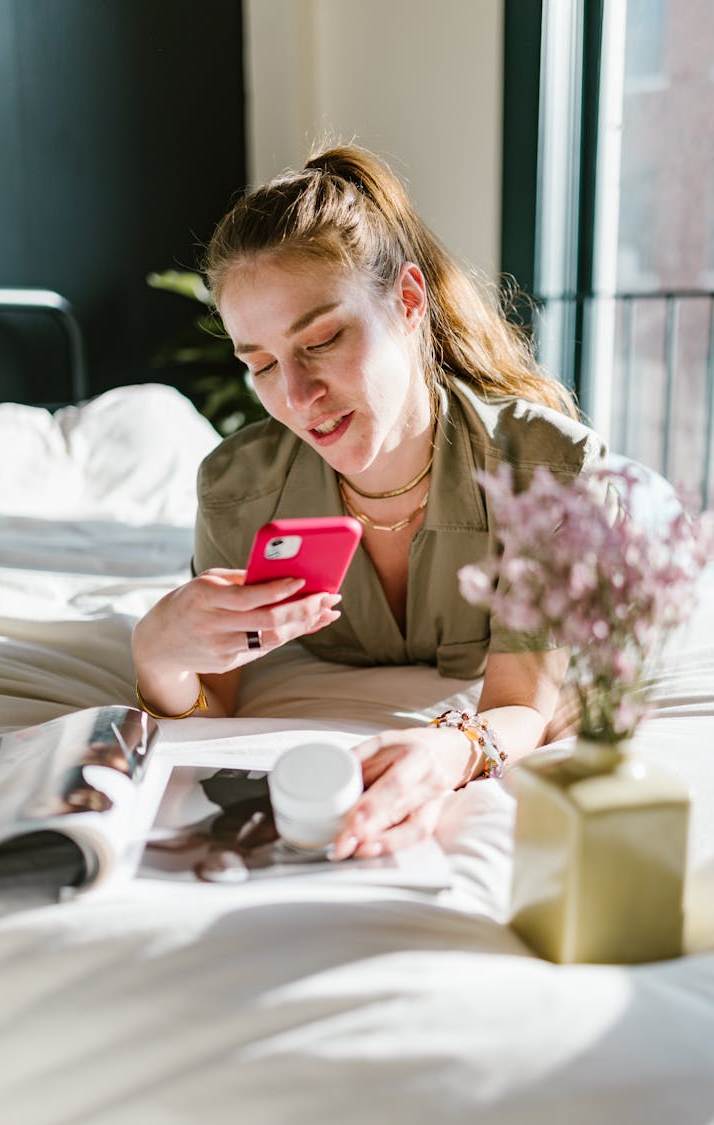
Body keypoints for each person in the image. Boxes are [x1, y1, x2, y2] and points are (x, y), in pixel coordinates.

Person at [132, 143, 605, 861]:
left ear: (408, 300)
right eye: (258, 363)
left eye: (321, 339)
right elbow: (211, 704)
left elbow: (523, 702)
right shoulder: (236, 489)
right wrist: (158, 658)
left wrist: (453, 751)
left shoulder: (549, 471)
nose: (294, 396)